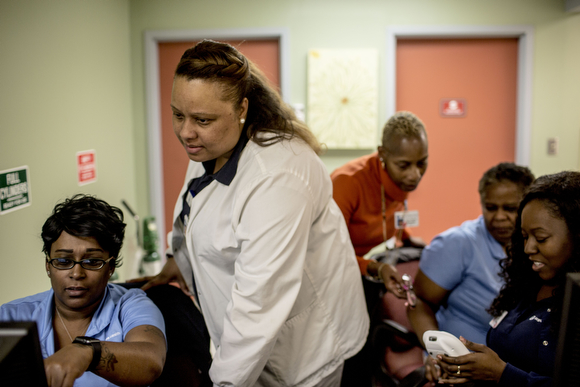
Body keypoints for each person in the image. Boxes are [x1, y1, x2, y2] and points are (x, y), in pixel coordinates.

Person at [133, 39, 369, 387]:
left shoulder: (278, 176)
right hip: (251, 343)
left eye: (202, 119)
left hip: (305, 354)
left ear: (242, 108)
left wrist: (224, 384)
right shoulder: (211, 145)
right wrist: (178, 259)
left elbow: (258, 306)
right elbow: (193, 208)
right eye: (177, 114)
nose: (185, 132)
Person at [0, 194, 167, 387]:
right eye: (63, 261)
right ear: (48, 266)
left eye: (92, 262)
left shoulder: (132, 305)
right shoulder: (11, 317)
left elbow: (151, 362)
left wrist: (87, 352)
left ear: (111, 267)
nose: (77, 273)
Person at [434, 171, 580, 386]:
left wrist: (501, 374)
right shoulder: (527, 283)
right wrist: (475, 373)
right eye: (524, 237)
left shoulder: (573, 303)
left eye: (541, 238)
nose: (528, 248)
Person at [407, 163, 535, 383]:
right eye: (491, 207)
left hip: (514, 369)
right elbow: (417, 302)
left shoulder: (534, 248)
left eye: (510, 208)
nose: (499, 217)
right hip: (463, 368)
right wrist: (436, 352)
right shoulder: (458, 244)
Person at [331, 111, 429, 386]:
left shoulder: (399, 179)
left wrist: (408, 239)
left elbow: (387, 220)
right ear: (382, 154)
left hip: (367, 270)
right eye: (405, 165)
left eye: (422, 163)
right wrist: (376, 267)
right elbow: (325, 253)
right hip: (334, 273)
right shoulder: (347, 182)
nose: (415, 175)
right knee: (354, 351)